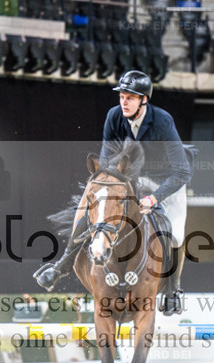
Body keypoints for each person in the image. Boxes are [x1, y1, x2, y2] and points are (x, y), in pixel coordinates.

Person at [34, 70, 192, 315]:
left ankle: (173, 291)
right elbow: (108, 163)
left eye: (130, 97)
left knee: (175, 234)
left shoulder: (163, 121)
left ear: (144, 100)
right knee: (95, 213)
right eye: (122, 96)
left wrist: (154, 198)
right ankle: (61, 266)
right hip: (131, 180)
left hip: (167, 181)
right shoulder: (113, 116)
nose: (124, 102)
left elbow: (182, 172)